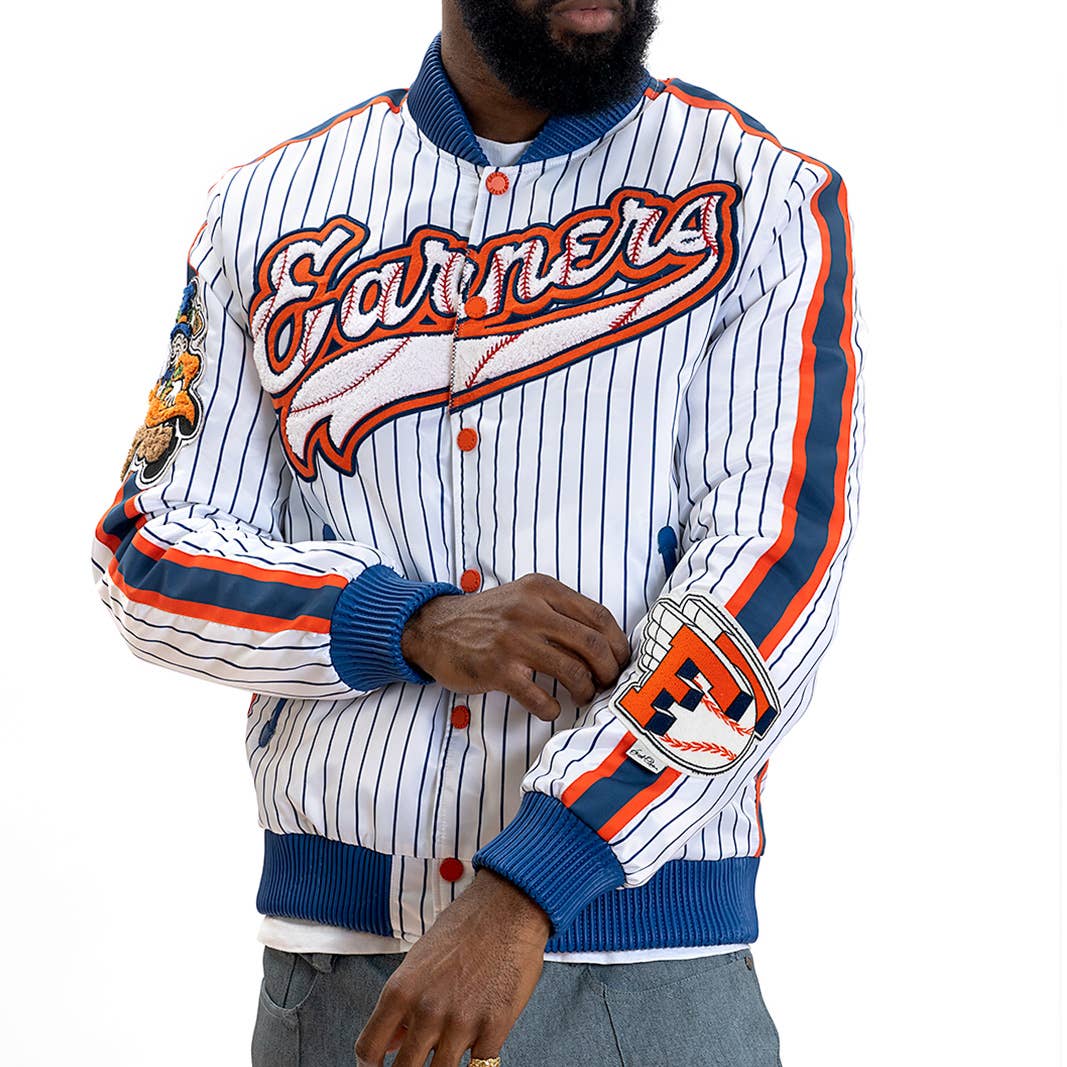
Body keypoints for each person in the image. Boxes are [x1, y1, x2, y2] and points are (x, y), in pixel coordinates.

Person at [91, 0, 865, 1063]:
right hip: (338, 978)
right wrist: (409, 623)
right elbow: (149, 554)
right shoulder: (265, 208)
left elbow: (773, 573)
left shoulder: (764, 196)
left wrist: (530, 883)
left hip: (642, 979)